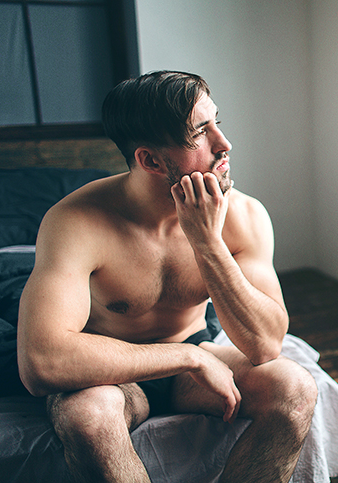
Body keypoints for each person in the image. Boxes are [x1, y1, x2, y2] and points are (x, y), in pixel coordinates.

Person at [16, 70, 318, 482]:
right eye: (200, 133)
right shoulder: (75, 222)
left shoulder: (244, 215)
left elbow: (266, 345)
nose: (224, 144)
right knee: (88, 417)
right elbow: (41, 363)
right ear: (151, 160)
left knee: (296, 391)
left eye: (218, 123)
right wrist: (190, 357)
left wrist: (207, 243)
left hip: (189, 363)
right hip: (111, 370)